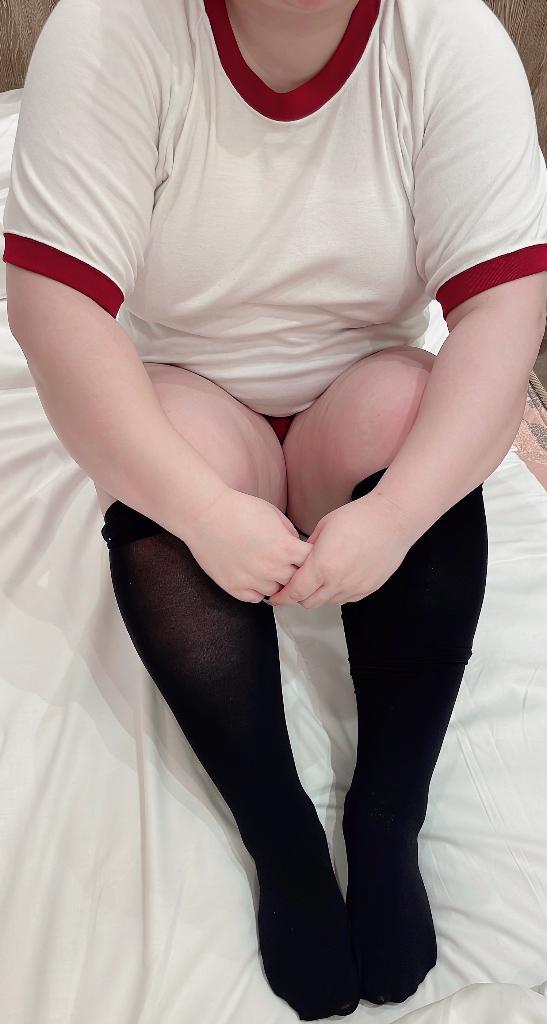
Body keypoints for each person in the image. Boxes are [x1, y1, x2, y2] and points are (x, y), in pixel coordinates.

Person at [3, 0, 547, 1018]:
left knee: (428, 426)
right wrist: (202, 510)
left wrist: (395, 516)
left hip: (359, 381)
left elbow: (502, 309)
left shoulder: (448, 39)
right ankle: (278, 831)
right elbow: (53, 307)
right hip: (196, 382)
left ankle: (386, 815)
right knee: (158, 464)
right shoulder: (111, 30)